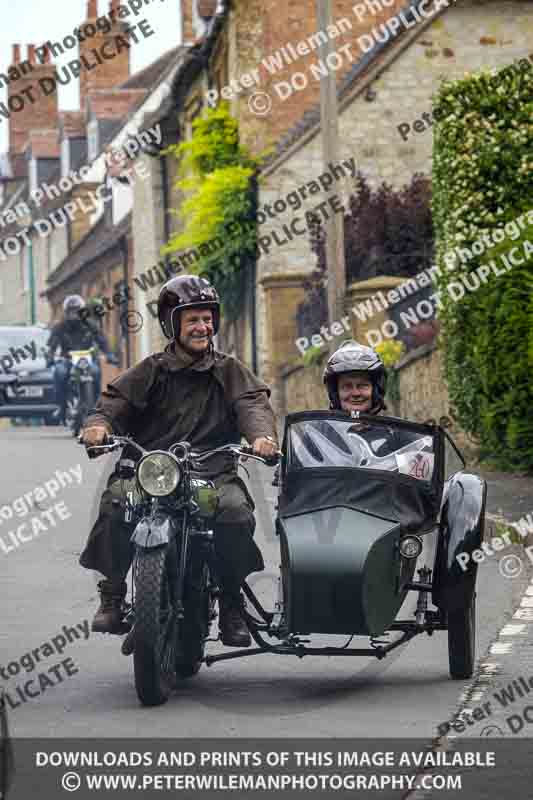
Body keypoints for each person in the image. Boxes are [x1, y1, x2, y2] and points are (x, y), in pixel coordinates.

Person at [79, 275, 279, 648]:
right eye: (192, 320)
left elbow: (252, 405)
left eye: (207, 319)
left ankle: (232, 600)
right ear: (173, 324)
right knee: (117, 501)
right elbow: (112, 404)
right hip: (151, 473)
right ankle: (112, 592)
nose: (202, 327)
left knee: (235, 512)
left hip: (212, 474)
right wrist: (98, 425)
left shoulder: (229, 370)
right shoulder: (151, 370)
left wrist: (261, 438)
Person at [47, 295, 117, 425]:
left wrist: (109, 354)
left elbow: (102, 340)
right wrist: (50, 357)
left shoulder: (90, 325)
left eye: (77, 310)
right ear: (66, 312)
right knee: (59, 372)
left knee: (96, 372)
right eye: (71, 311)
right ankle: (60, 407)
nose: (74, 314)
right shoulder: (59, 327)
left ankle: (96, 406)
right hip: (67, 360)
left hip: (88, 360)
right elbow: (52, 345)